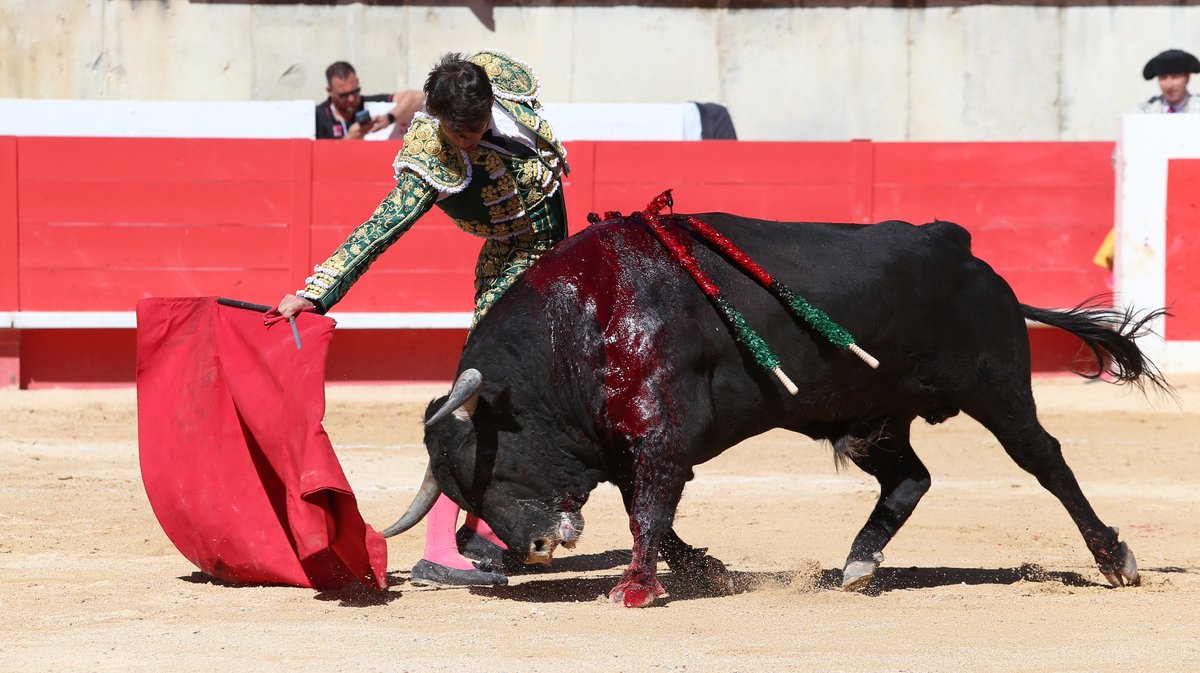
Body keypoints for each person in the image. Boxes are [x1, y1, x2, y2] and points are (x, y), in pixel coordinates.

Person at [273, 50, 571, 587]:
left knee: (525, 398)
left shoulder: (497, 76)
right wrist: (317, 292)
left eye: (478, 127)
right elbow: (380, 228)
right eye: (461, 136)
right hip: (514, 263)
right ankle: (438, 544)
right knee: (479, 393)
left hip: (556, 258)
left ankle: (485, 529)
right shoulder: (430, 153)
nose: (471, 142)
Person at [315, 61, 426, 139]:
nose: (351, 99)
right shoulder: (317, 116)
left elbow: (418, 97)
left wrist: (389, 118)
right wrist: (349, 140)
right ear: (329, 90)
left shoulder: (370, 104)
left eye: (355, 91)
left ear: (357, 82)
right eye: (343, 95)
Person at [1136, 48, 1200, 114]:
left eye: (1175, 77)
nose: (1169, 85)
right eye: (1163, 78)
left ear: (1187, 77)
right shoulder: (1144, 112)